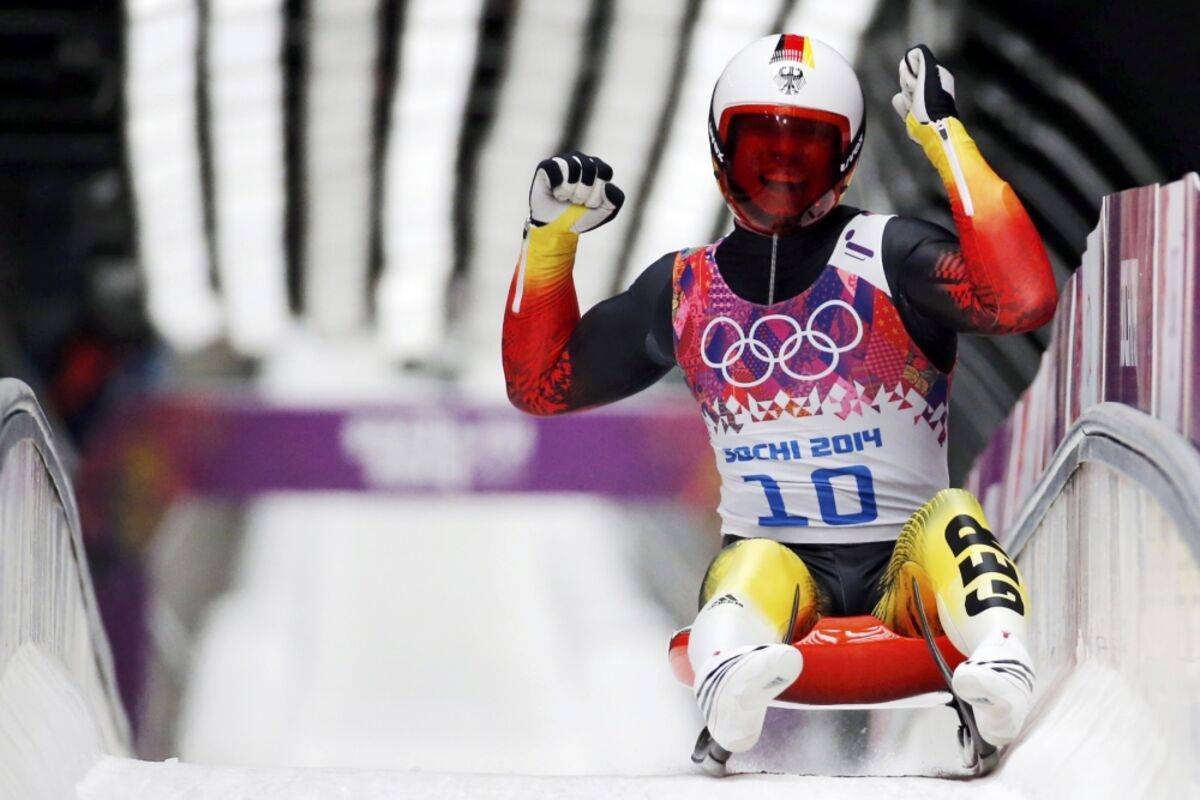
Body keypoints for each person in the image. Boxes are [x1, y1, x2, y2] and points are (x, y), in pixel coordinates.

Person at [501, 34, 1056, 767]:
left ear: (845, 162)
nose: (783, 170)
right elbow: (541, 384)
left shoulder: (889, 257)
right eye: (762, 147)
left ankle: (1002, 664)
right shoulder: (685, 290)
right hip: (785, 593)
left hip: (909, 583)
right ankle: (733, 678)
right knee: (751, 561)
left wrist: (948, 141)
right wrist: (549, 242)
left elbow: (1021, 298)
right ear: (722, 153)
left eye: (807, 152)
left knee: (955, 516)